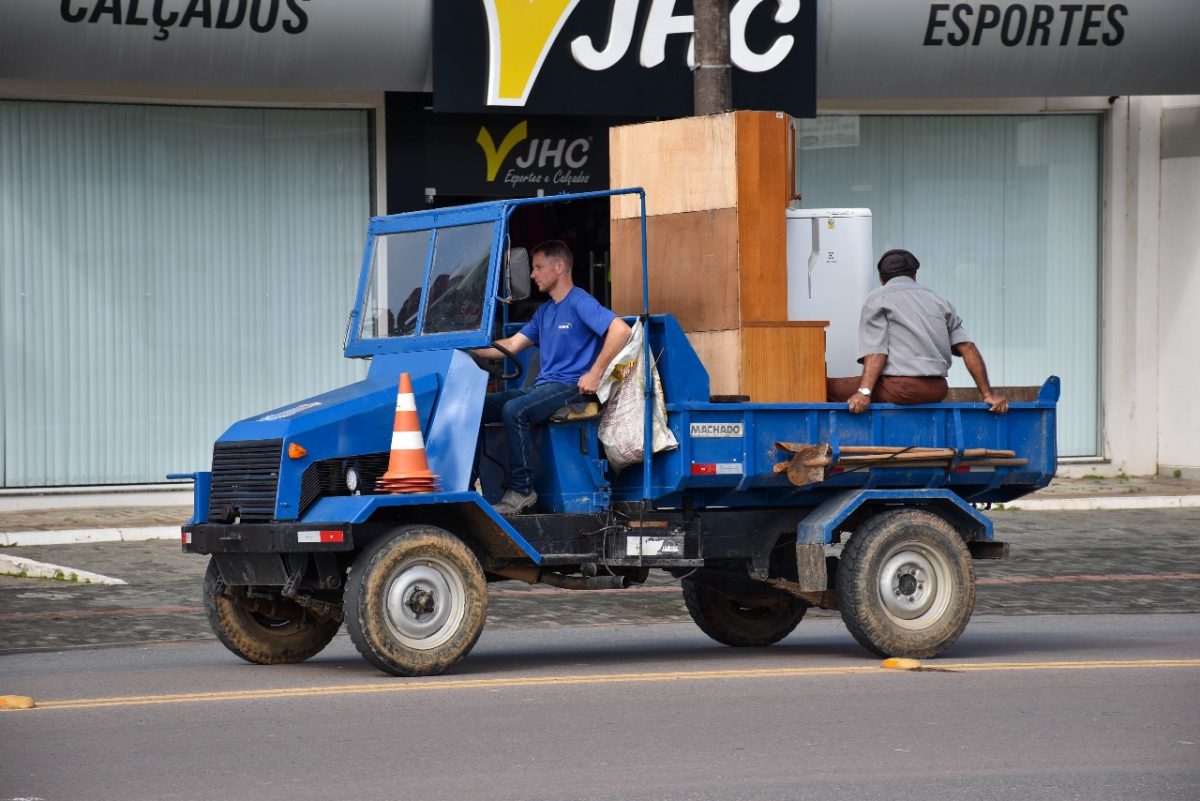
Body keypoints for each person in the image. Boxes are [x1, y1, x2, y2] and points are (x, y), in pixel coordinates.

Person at [472, 240, 632, 515]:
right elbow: (509, 346)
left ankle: (521, 491)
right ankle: (469, 485)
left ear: (559, 267)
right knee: (478, 408)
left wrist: (594, 373)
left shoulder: (580, 301)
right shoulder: (545, 312)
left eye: (538, 267)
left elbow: (621, 331)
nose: (533, 274)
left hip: (572, 387)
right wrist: (464, 344)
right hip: (544, 386)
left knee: (515, 410)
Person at [826, 249, 1009, 415]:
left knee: (824, 388)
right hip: (937, 389)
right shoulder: (938, 300)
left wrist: (863, 392)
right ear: (915, 274)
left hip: (903, 389)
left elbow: (876, 351)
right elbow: (968, 348)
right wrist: (987, 394)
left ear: (882, 278)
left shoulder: (878, 298)